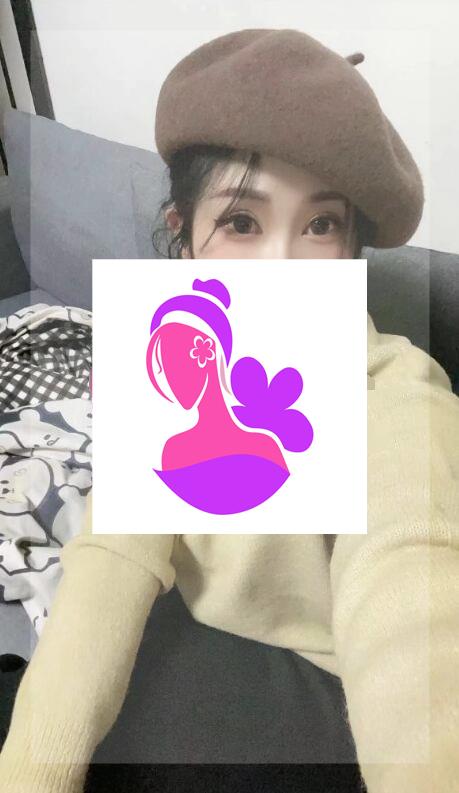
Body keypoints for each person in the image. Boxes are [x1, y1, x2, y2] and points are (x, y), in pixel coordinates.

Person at [1, 28, 458, 793]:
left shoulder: (394, 388)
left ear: (351, 250)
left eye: (320, 225)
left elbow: (408, 576)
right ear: (182, 236)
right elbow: (113, 554)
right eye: (242, 222)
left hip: (322, 689)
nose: (281, 267)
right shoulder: (168, 350)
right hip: (181, 626)